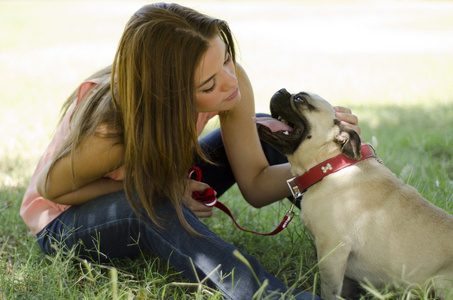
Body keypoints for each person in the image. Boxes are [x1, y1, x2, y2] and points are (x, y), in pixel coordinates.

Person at [21, 3, 360, 299]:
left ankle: (366, 239)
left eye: (226, 60)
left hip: (157, 177)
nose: (230, 81)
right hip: (67, 220)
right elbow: (52, 189)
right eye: (209, 85)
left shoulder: (228, 81)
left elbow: (256, 185)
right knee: (152, 206)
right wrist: (160, 188)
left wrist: (323, 161)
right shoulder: (114, 132)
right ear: (168, 98)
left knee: (268, 130)